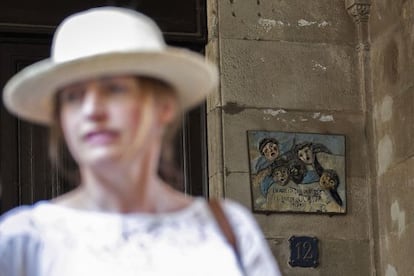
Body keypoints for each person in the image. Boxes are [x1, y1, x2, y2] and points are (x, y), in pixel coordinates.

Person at [0, 7, 281, 276]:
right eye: (73, 96)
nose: (92, 110)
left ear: (164, 107)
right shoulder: (23, 242)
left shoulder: (227, 230)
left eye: (114, 89)